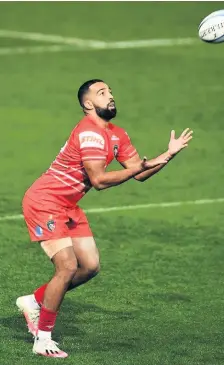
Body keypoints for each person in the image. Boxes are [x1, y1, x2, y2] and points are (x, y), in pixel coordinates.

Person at [17, 79, 193, 358]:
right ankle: (43, 338)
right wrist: (145, 165)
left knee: (90, 266)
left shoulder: (116, 134)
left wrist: (166, 155)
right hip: (45, 201)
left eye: (110, 92)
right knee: (67, 267)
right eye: (102, 93)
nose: (110, 96)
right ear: (88, 104)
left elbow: (140, 173)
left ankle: (33, 301)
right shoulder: (88, 133)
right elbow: (99, 180)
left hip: (68, 205)